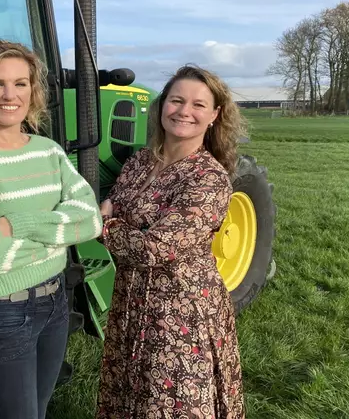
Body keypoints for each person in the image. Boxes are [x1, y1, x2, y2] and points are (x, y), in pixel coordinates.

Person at [0, 39, 102, 419]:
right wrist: (56, 238)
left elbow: (90, 220)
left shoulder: (49, 151)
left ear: (34, 91)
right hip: (3, 313)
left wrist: (16, 225)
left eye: (21, 83)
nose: (9, 95)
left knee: (39, 411)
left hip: (55, 304)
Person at [96, 65, 247, 419]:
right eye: (176, 100)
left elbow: (155, 248)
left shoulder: (208, 178)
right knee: (131, 394)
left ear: (214, 115)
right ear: (162, 105)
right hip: (132, 301)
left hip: (179, 310)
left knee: (172, 403)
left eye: (198, 104)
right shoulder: (138, 163)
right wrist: (112, 221)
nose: (184, 111)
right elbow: (118, 211)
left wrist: (101, 225)